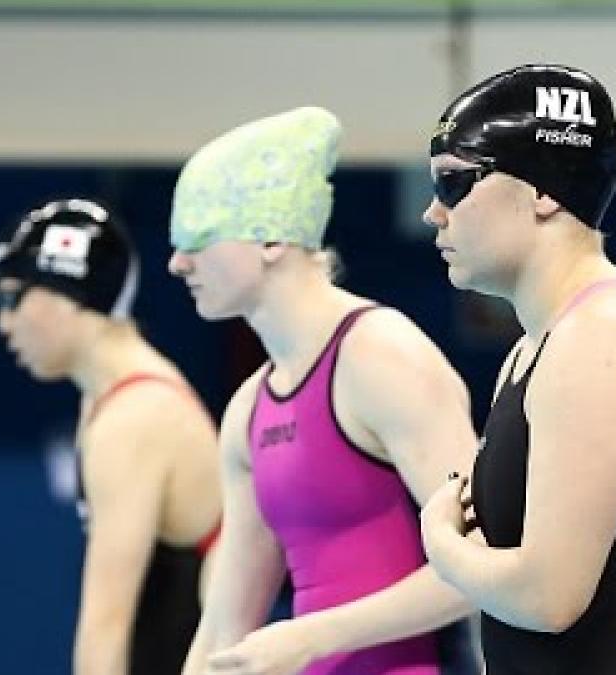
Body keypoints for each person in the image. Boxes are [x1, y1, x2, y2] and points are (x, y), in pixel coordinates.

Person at [169, 106, 478, 675]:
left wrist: (313, 636)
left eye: (198, 235)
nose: (177, 261)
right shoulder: (248, 412)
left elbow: (487, 565)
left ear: (269, 239)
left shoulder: (382, 358)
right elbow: (224, 629)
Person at [419, 64, 616, 675]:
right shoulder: (532, 349)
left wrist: (440, 542)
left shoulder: (611, 334)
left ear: (544, 190)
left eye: (453, 183)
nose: (433, 214)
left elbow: (547, 598)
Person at [0, 198, 221, 675]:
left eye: (14, 299)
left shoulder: (134, 418)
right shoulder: (110, 398)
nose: (3, 323)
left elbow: (107, 631)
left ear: (65, 297)